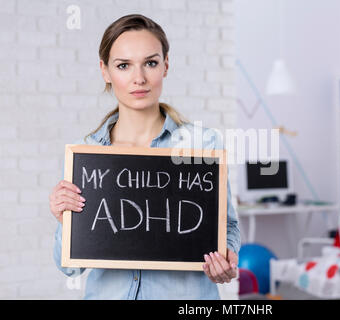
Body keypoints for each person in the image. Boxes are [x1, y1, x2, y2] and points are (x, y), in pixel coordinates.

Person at [49, 14, 241, 299]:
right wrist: (64, 218)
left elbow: (228, 226)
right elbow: (70, 269)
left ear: (165, 65)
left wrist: (227, 256)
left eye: (150, 63)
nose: (138, 78)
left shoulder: (201, 143)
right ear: (105, 71)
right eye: (123, 65)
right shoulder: (87, 153)